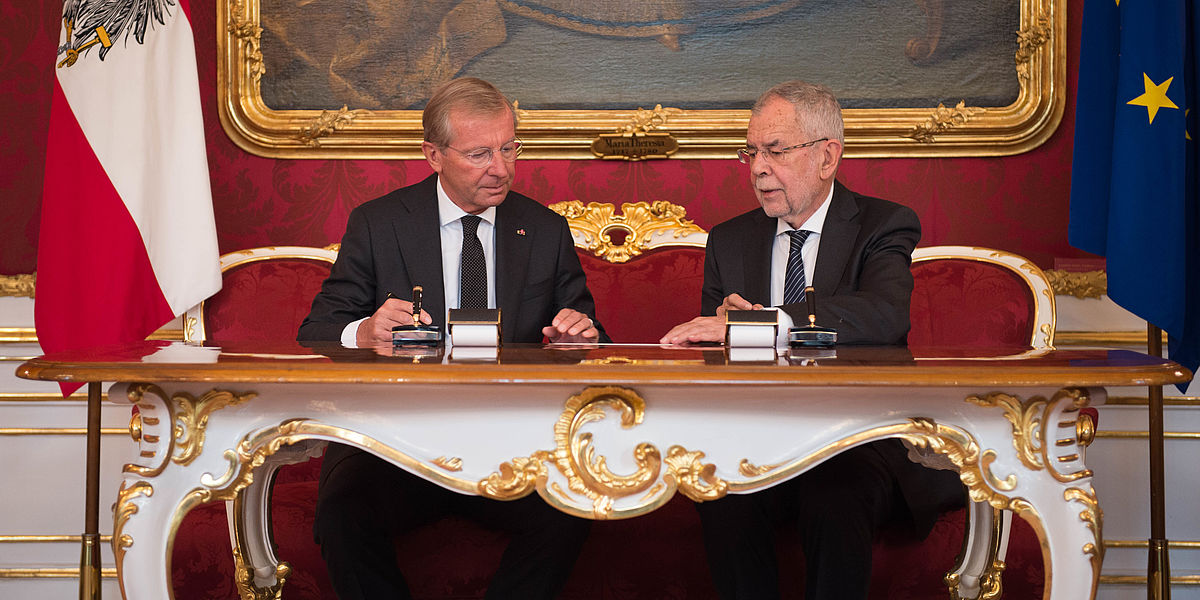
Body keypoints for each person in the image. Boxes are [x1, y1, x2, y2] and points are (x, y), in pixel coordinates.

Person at [298, 77, 606, 600]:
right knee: (342, 513)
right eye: (480, 154)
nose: (501, 168)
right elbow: (317, 331)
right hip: (395, 442)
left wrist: (578, 336)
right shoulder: (379, 224)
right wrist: (365, 330)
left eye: (509, 148)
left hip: (513, 443)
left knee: (573, 507)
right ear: (433, 155)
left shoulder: (544, 229)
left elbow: (591, 333)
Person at [660, 80, 963, 600]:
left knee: (834, 494)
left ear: (827, 157)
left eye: (775, 151)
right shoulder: (730, 239)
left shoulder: (882, 225)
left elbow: (884, 316)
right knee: (721, 492)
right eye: (751, 152)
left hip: (859, 438)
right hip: (758, 435)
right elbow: (713, 352)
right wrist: (721, 340)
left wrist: (767, 322)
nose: (757, 169)